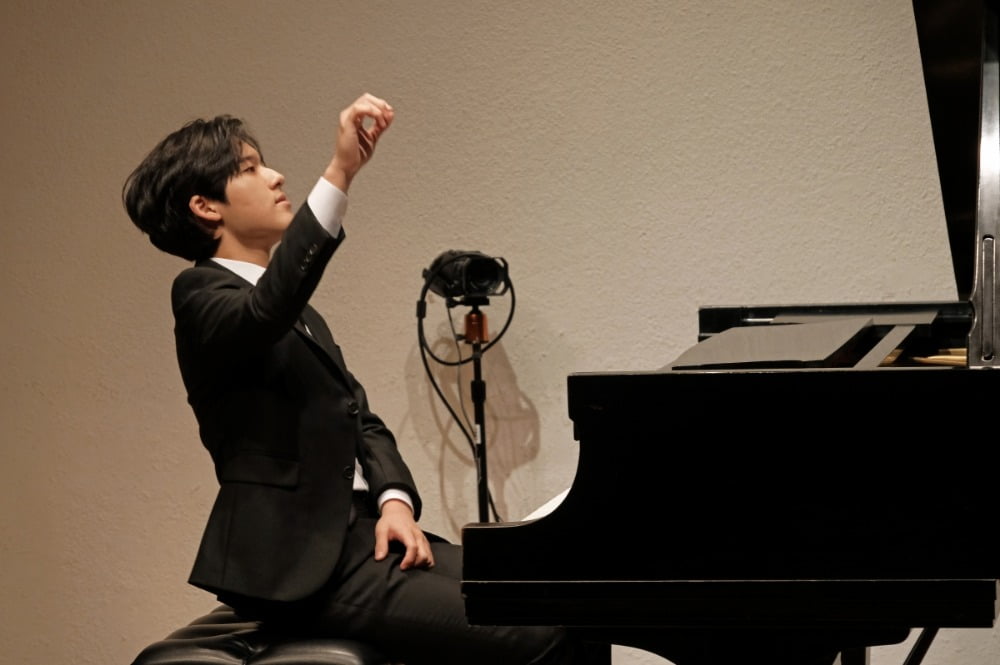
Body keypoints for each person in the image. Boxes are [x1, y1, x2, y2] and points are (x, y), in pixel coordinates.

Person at [121, 93, 588, 665]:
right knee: (540, 633)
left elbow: (359, 417)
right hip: (302, 563)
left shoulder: (296, 312)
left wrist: (395, 502)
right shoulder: (200, 294)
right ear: (205, 206)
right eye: (250, 168)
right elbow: (266, 309)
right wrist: (340, 172)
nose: (275, 176)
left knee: (564, 598)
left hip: (362, 538)